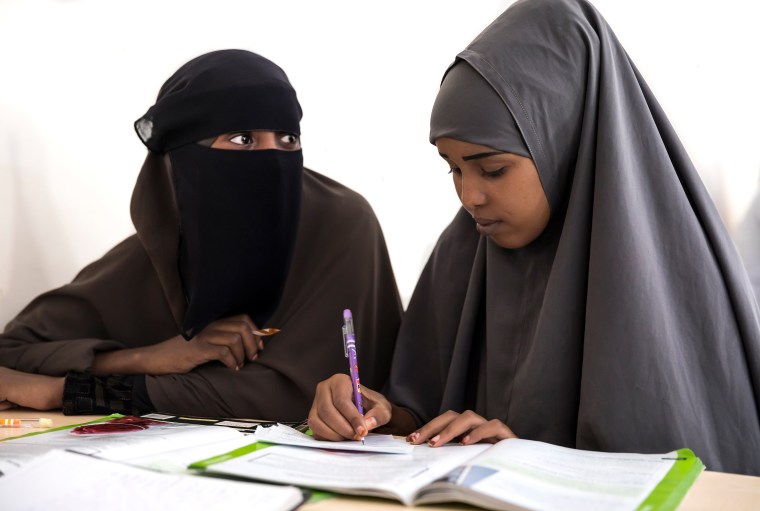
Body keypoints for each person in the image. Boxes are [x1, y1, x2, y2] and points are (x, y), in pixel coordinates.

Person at [307, 0, 760, 475]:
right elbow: (419, 417)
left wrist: (532, 459)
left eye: (493, 169)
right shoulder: (461, 253)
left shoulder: (664, 273)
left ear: (563, 142)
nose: (469, 196)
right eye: (453, 168)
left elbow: (697, 474)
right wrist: (373, 416)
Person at [0, 49, 402, 421]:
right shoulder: (163, 250)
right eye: (242, 139)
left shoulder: (342, 223)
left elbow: (291, 397)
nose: (272, 159)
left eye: (287, 138)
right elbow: (14, 353)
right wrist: (150, 358)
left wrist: (65, 392)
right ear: (183, 161)